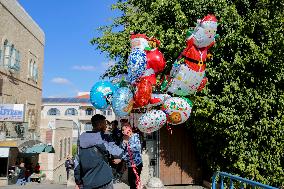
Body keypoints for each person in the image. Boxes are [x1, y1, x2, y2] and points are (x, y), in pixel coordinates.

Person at [74, 114, 123, 189]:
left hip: (87, 182)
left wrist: (78, 181)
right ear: (100, 125)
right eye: (104, 124)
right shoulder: (104, 138)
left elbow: (77, 162)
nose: (106, 126)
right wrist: (125, 141)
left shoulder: (81, 138)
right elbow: (118, 152)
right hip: (104, 181)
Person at [114, 123, 143, 189]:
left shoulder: (136, 136)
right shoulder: (125, 138)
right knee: (131, 182)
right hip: (130, 164)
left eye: (124, 129)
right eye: (122, 130)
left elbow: (134, 150)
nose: (123, 131)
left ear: (129, 129)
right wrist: (124, 142)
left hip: (136, 164)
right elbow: (121, 150)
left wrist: (121, 159)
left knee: (134, 183)